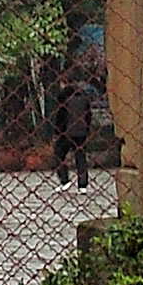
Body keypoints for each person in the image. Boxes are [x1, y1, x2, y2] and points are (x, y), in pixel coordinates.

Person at [52, 61, 103, 190]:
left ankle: (64, 180)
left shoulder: (63, 98)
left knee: (58, 154)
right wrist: (86, 129)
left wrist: (58, 131)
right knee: (80, 156)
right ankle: (82, 185)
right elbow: (88, 115)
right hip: (81, 132)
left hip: (66, 132)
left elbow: (61, 116)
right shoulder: (83, 97)